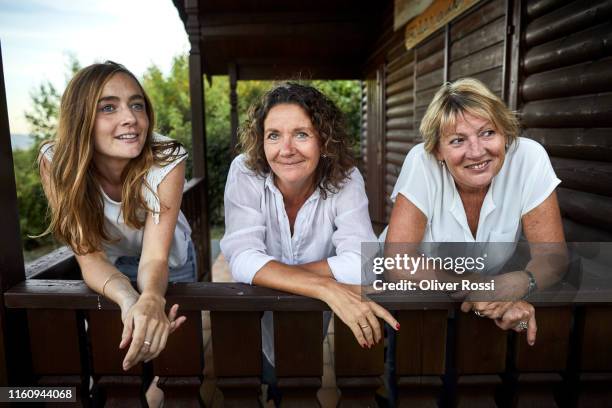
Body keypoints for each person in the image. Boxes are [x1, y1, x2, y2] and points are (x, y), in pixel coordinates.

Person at [221, 82, 399, 403]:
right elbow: (241, 257)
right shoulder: (245, 172)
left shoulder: (345, 179)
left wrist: (278, 274)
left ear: (324, 139)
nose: (286, 149)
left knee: (298, 382)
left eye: (301, 134)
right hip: (255, 312)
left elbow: (364, 263)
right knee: (252, 378)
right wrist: (326, 287)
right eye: (273, 135)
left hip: (310, 319)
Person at [38, 61, 194, 406]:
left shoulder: (167, 158)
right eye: (108, 107)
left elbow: (155, 257)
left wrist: (151, 297)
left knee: (172, 358)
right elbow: (89, 255)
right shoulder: (55, 161)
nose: (131, 118)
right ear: (81, 118)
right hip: (107, 262)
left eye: (136, 104)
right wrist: (128, 299)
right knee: (115, 356)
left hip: (171, 257)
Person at [384, 78, 567, 345]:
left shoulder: (529, 159)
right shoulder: (421, 162)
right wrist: (479, 285)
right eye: (458, 140)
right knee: (406, 370)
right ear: (438, 150)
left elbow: (553, 256)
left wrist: (522, 281)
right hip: (409, 296)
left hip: (477, 305)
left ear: (505, 133)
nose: (477, 151)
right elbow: (397, 263)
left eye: (487, 133)